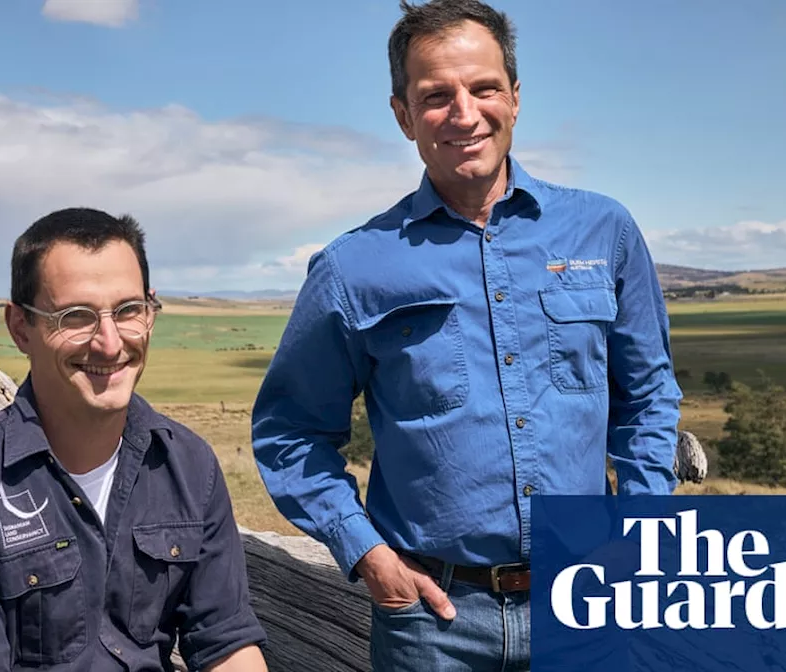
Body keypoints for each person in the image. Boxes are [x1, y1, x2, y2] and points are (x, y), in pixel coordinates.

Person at [250, 0, 681, 669]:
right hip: (431, 625)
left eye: (483, 88)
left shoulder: (604, 230)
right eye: (435, 96)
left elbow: (648, 395)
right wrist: (364, 551)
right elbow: (291, 432)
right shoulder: (353, 266)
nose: (464, 112)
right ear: (401, 115)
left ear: (514, 97)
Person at [0, 208, 269, 672]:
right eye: (76, 316)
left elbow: (224, 643)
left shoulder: (189, 468)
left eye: (129, 311)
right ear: (19, 328)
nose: (110, 344)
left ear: (150, 312)